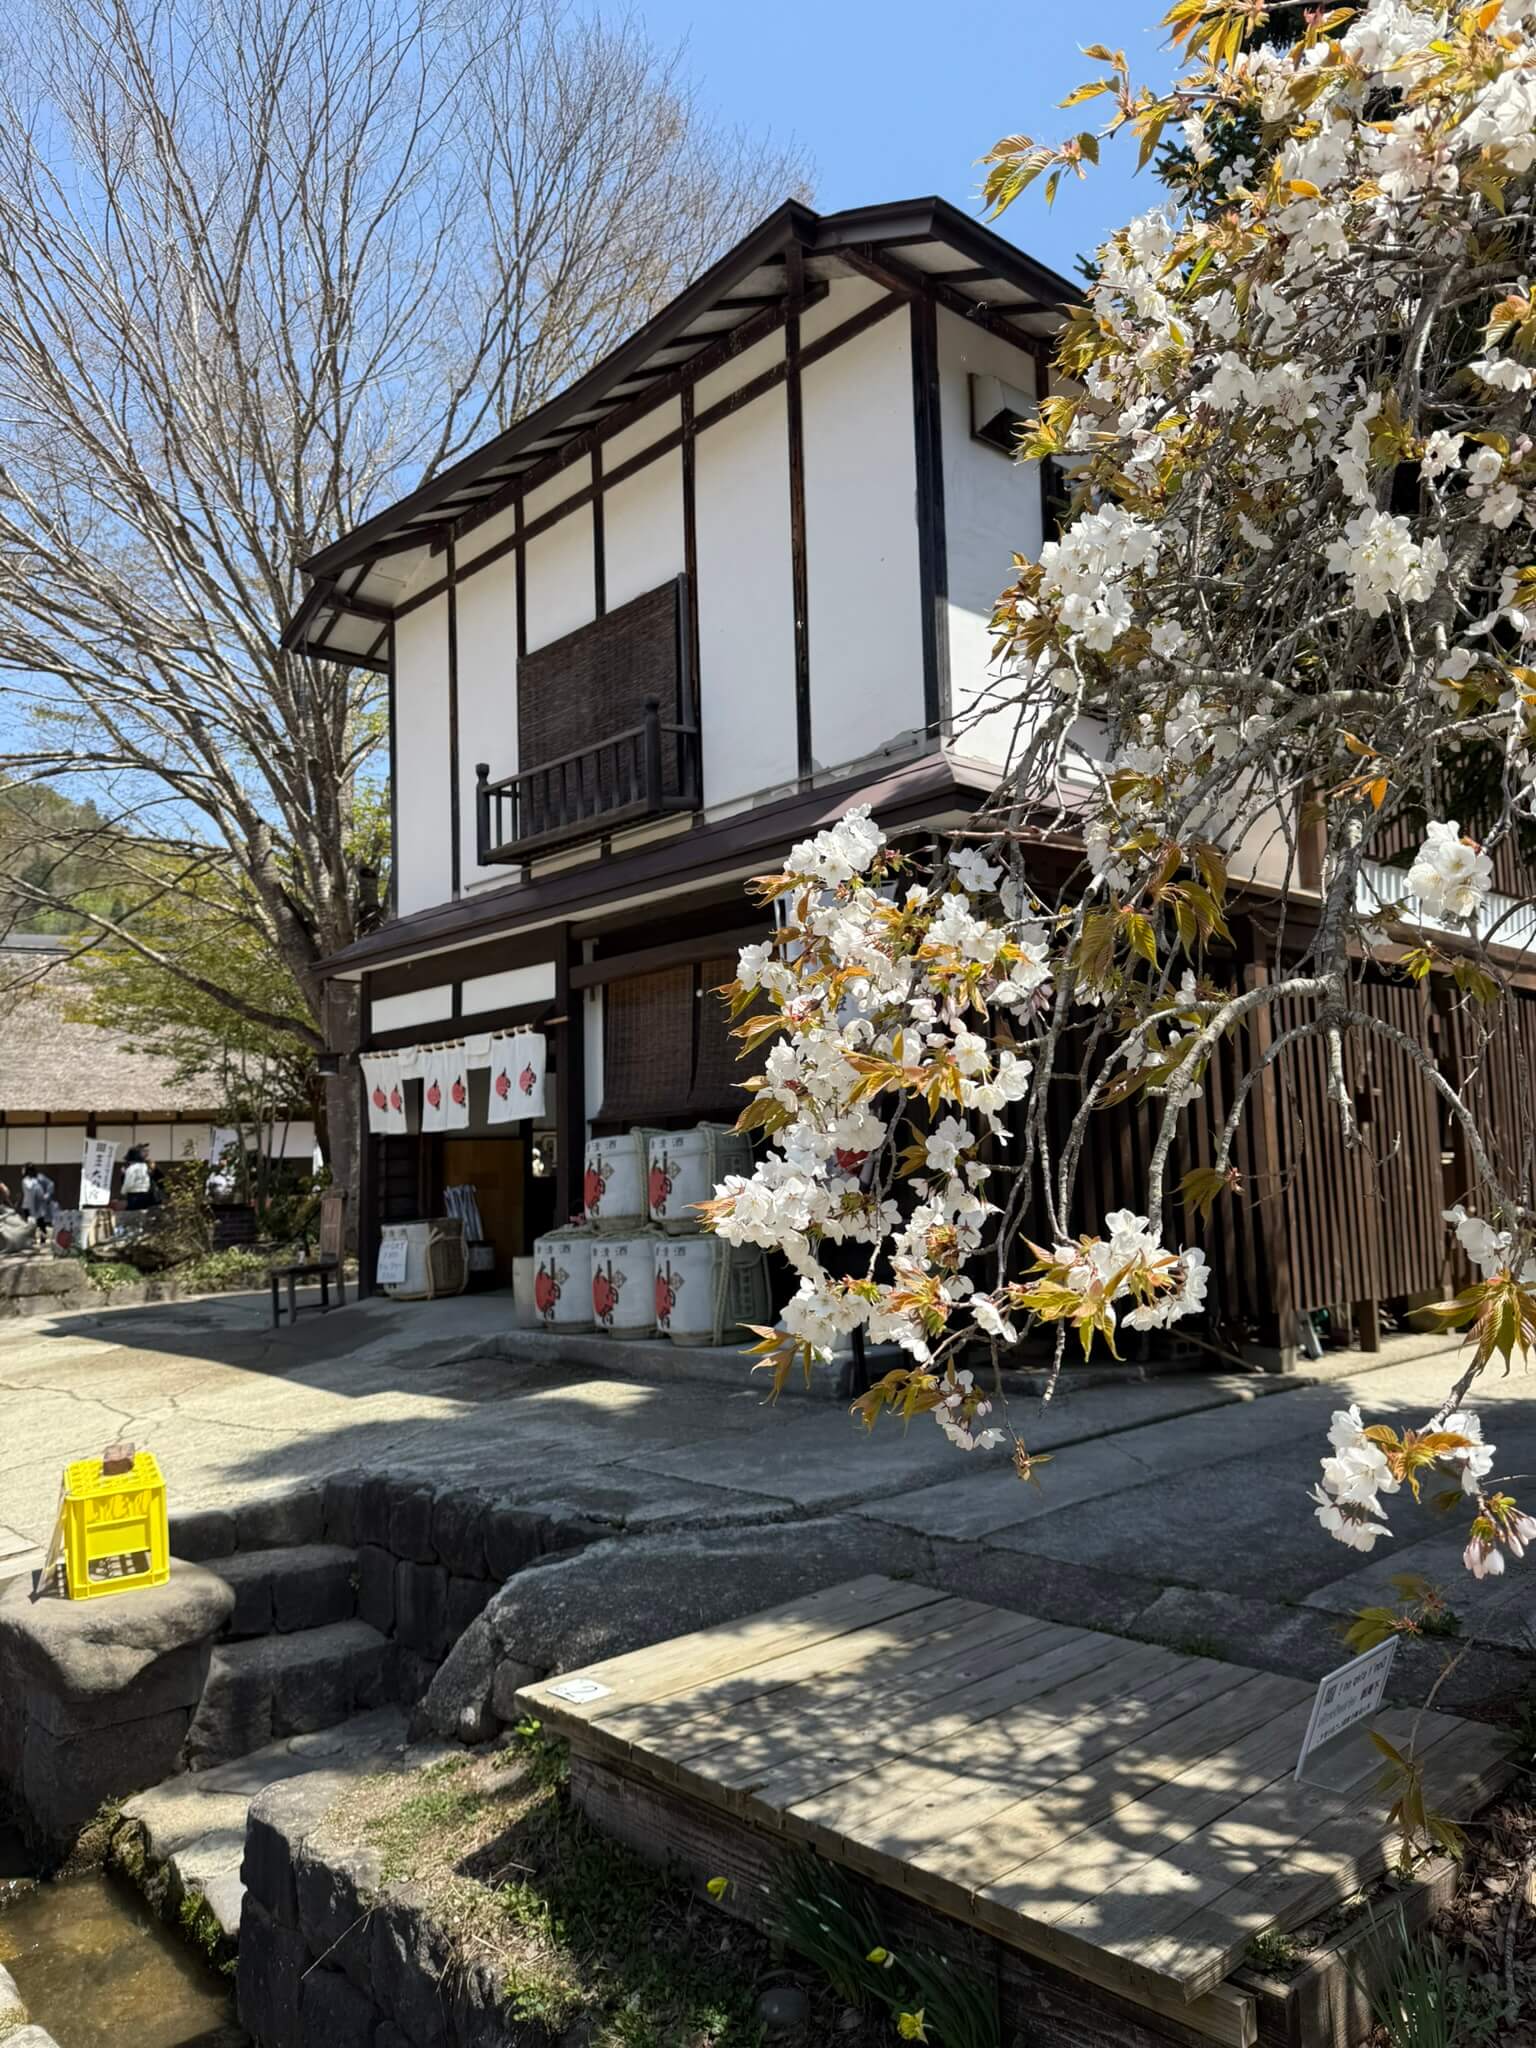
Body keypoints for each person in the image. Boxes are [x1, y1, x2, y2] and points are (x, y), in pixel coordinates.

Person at [19, 1164, 55, 1245]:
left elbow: (50, 1184)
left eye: (24, 1169)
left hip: (37, 1205)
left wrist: (47, 1195)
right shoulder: (26, 1181)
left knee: (40, 1223)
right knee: (31, 1223)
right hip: (28, 1205)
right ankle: (32, 1239)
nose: (22, 1171)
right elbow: (31, 1191)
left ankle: (42, 1239)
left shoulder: (38, 1178)